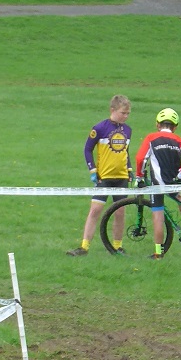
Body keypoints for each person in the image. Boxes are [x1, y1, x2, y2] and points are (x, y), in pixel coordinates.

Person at [67, 95, 132, 256]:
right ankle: (84, 246)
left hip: (122, 177)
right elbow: (87, 149)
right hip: (104, 177)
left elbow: (125, 152)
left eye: (128, 113)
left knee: (120, 212)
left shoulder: (128, 130)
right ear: (112, 110)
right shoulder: (100, 128)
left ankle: (118, 246)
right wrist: (92, 170)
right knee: (95, 210)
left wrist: (130, 170)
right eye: (123, 113)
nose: (125, 116)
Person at [134, 108, 181, 259]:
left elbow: (141, 159)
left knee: (158, 216)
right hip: (174, 181)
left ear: (157, 124)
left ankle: (158, 253)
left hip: (158, 184)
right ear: (175, 127)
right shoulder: (178, 139)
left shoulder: (151, 138)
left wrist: (139, 177)